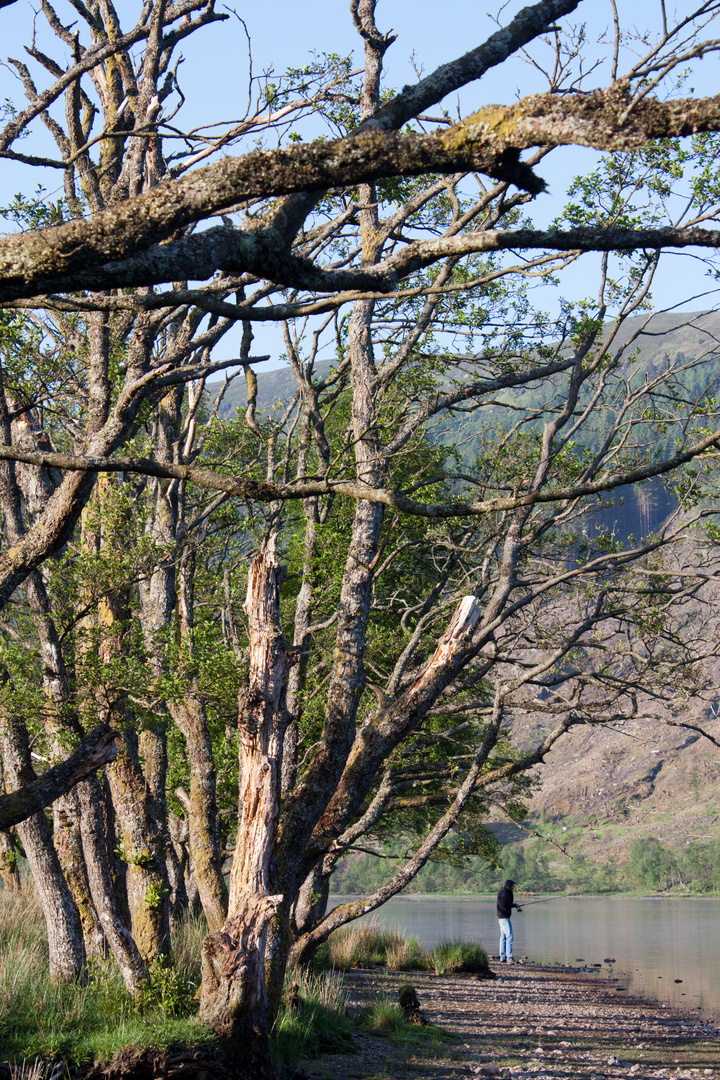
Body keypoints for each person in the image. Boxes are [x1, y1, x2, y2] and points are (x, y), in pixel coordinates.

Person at [496, 878, 522, 963]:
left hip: (501, 917)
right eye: (512, 886)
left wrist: (514, 905)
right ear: (508, 886)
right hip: (504, 917)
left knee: (503, 937)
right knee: (509, 937)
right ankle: (509, 957)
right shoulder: (504, 893)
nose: (513, 887)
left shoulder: (504, 892)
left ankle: (502, 957)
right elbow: (505, 905)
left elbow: (507, 904)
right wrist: (515, 905)